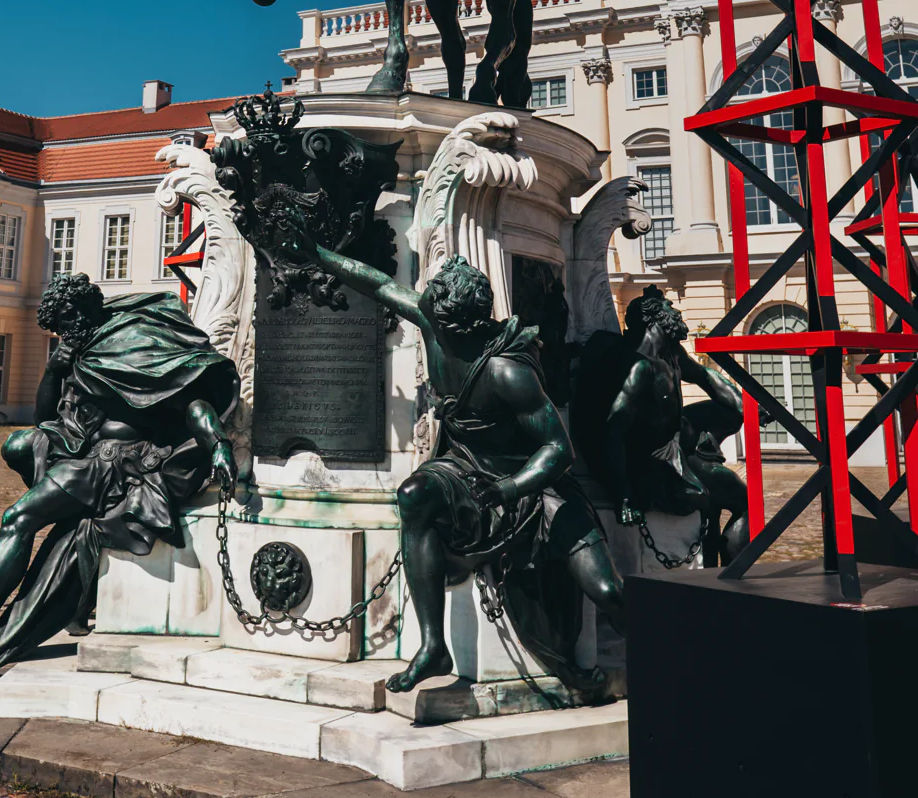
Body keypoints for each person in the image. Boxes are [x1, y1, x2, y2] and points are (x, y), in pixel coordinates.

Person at [283, 228, 625, 697]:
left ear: (465, 327)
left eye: (439, 322)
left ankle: (659, 654)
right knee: (413, 495)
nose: (429, 323)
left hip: (531, 483)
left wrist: (508, 489)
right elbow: (379, 284)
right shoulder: (433, 319)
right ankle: (432, 647)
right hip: (464, 467)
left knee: (607, 592)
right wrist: (317, 253)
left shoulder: (507, 371)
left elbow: (558, 449)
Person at [0, 273, 238, 686]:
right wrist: (54, 370)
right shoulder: (81, 347)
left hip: (114, 462)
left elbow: (193, 401)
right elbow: (45, 419)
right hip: (81, 450)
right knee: (18, 447)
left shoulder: (137, 337)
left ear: (83, 307)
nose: (64, 331)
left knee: (17, 518)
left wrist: (218, 444)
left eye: (67, 320)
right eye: (58, 327)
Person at [571, 285, 749, 566]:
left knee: (730, 415)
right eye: (668, 307)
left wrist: (746, 406)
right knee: (744, 500)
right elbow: (612, 431)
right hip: (654, 462)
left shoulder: (672, 355)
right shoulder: (639, 368)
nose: (676, 311)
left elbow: (705, 376)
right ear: (652, 318)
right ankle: (732, 575)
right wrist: (623, 496)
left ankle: (723, 565)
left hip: (675, 444)